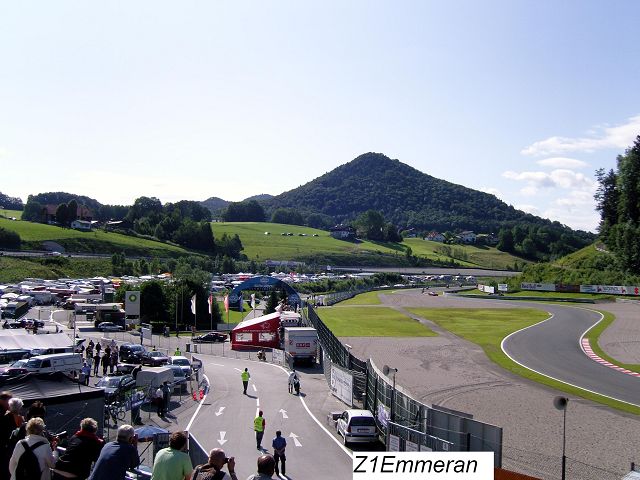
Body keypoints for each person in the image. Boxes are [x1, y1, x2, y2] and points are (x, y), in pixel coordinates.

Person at [0, 398, 24, 480]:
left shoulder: (5, 417)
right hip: (12, 448)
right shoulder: (19, 419)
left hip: (7, 448)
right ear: (19, 408)